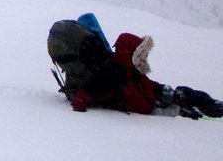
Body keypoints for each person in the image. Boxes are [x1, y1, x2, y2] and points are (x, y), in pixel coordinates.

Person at [70, 32, 223, 119]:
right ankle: (212, 111)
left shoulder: (128, 69)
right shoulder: (113, 75)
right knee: (190, 109)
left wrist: (163, 89)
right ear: (132, 54)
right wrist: (177, 111)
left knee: (185, 92)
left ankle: (214, 106)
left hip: (154, 102)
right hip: (152, 108)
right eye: (142, 54)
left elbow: (146, 85)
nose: (145, 58)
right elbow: (84, 96)